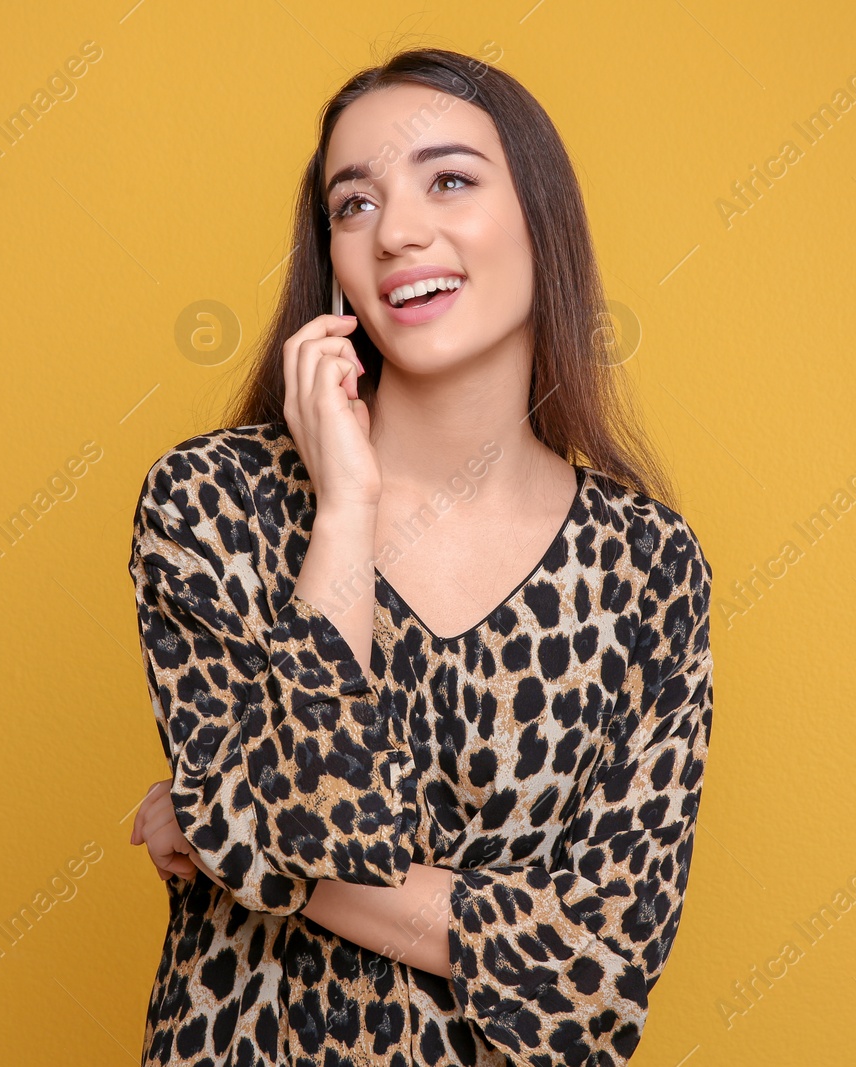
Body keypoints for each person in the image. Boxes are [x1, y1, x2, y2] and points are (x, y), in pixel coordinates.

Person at [128, 47, 713, 1067]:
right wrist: (346, 509)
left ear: (541, 220)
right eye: (352, 205)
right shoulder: (212, 504)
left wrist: (229, 827)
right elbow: (318, 821)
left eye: (448, 179)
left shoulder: (646, 568)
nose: (396, 230)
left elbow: (595, 978)